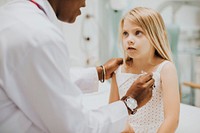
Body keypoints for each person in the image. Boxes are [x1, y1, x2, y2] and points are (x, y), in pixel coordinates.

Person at [0, 1, 155, 133]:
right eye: (125, 33)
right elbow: (77, 128)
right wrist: (130, 102)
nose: (84, 3)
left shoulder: (16, 14)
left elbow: (38, 80)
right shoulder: (39, 36)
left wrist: (98, 73)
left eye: (138, 33)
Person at [109, 7, 180, 133]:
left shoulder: (165, 69)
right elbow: (112, 111)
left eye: (138, 33)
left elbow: (172, 119)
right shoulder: (119, 70)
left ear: (155, 36)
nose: (129, 39)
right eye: (125, 33)